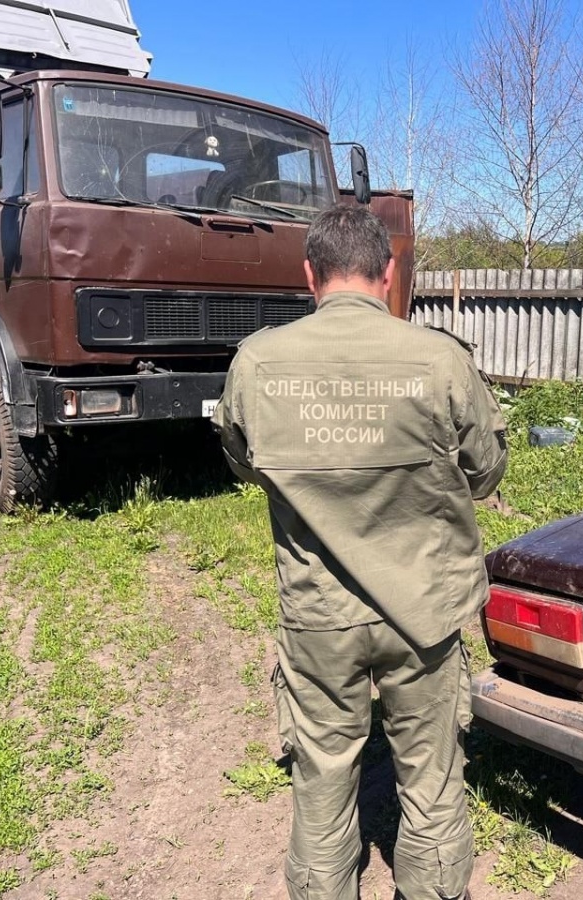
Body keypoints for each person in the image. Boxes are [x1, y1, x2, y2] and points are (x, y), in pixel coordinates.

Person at [214, 205, 507, 900]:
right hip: (425, 612)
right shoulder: (440, 358)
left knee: (320, 776)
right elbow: (487, 468)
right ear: (390, 271)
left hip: (319, 614)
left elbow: (242, 462)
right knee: (432, 778)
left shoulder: (258, 362)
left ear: (309, 274)